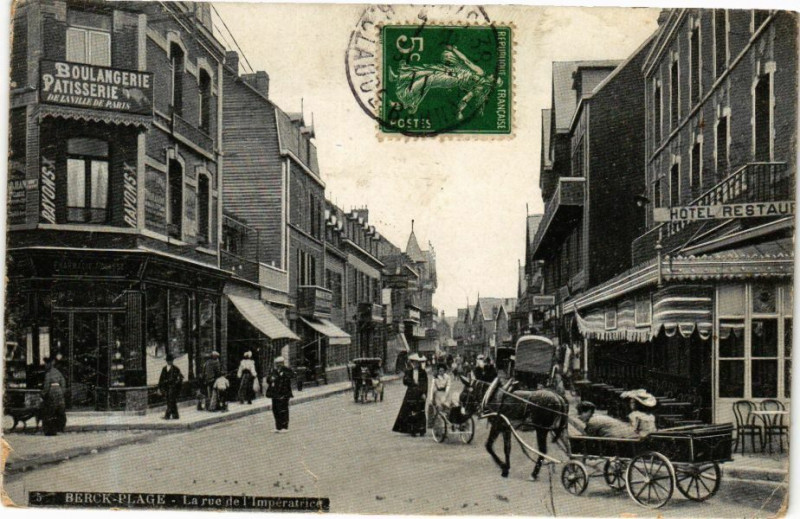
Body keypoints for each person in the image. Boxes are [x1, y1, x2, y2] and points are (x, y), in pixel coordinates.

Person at [392, 353, 428, 437]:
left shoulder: (423, 372)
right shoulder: (408, 371)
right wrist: (412, 382)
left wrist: (424, 393)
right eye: (414, 362)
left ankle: (421, 429)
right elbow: (405, 381)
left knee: (420, 411)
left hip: (420, 394)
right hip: (411, 393)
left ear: (419, 363)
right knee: (411, 411)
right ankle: (412, 430)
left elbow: (425, 383)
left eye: (417, 363)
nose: (415, 364)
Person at [266, 356, 294, 432]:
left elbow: (291, 376)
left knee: (283, 409)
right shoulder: (273, 371)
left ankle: (284, 427)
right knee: (275, 409)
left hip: (284, 393)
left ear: (282, 363)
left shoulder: (287, 370)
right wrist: (271, 379)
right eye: (276, 363)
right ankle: (278, 427)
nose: (277, 365)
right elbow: (268, 380)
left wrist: (283, 373)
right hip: (275, 393)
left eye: (279, 363)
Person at [41, 357, 67, 436]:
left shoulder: (48, 374)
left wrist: (43, 394)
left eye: (46, 364)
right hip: (59, 393)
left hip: (52, 393)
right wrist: (61, 392)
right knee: (59, 411)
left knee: (50, 412)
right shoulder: (58, 373)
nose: (45, 366)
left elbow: (46, 386)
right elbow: (63, 382)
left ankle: (50, 430)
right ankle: (59, 428)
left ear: (49, 364)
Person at [158, 353, 184, 420]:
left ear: (172, 361)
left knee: (170, 400)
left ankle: (167, 415)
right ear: (166, 361)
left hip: (173, 387)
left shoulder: (176, 369)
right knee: (171, 401)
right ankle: (175, 415)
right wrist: (159, 387)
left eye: (171, 360)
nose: (170, 362)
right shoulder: (164, 369)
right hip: (166, 387)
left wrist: (177, 384)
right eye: (168, 360)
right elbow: (161, 378)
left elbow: (181, 377)